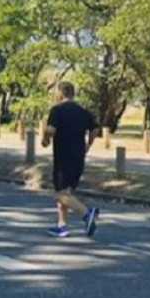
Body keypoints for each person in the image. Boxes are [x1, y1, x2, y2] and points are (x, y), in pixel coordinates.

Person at [41, 82, 100, 238]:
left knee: (60, 194)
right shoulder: (83, 111)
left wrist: (45, 139)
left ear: (60, 93)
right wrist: (88, 144)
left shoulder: (57, 110)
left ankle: (87, 213)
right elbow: (95, 129)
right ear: (73, 93)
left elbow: (51, 130)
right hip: (79, 156)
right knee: (67, 192)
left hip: (63, 157)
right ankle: (62, 226)